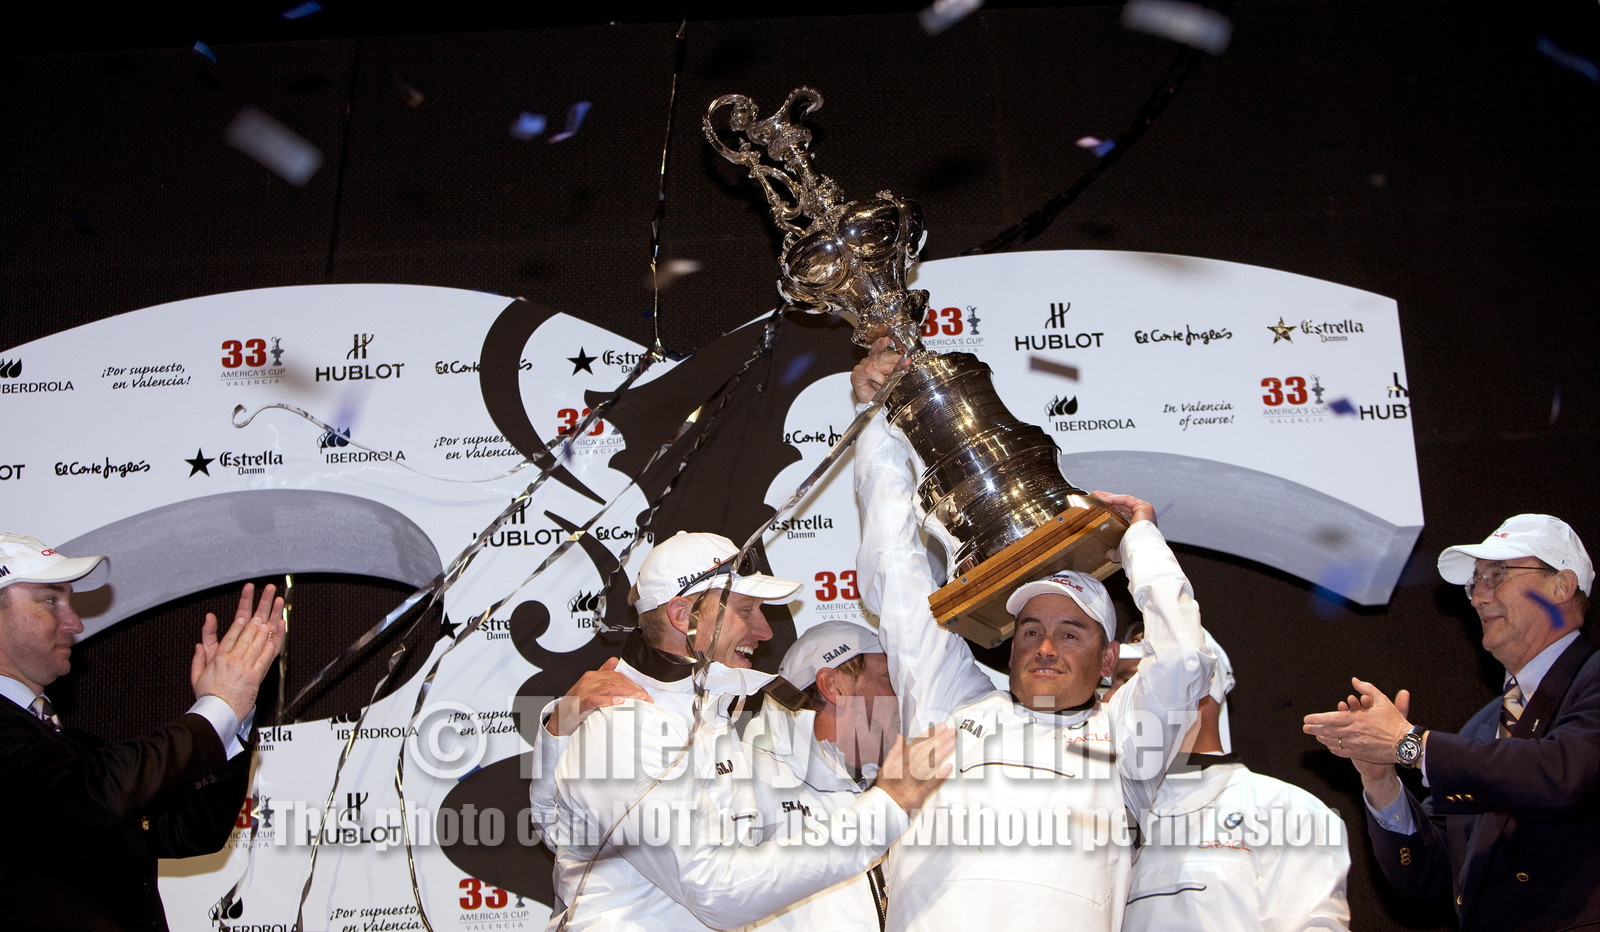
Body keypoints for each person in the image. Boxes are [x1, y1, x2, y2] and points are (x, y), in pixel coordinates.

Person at [850, 342, 1215, 931]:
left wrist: (1139, 542)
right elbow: (896, 575)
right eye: (1031, 630)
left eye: (1072, 634)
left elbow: (1181, 659)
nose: (1045, 647)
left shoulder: (1126, 742)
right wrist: (881, 424)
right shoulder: (954, 706)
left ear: (1107, 662)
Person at [531, 531, 955, 931]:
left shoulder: (709, 718)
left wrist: (556, 734)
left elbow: (562, 828)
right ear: (683, 616)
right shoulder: (625, 721)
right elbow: (715, 890)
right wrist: (888, 806)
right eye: (746, 610)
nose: (765, 631)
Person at [1303, 513, 1599, 930]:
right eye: (1474, 582)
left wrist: (1411, 744)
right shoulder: (1480, 729)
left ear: (1561, 587)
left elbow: (1560, 772)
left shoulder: (1591, 680)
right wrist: (1382, 781)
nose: (1478, 596)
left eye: (1497, 576)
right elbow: (1428, 876)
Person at [0, 532, 287, 932]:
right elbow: (99, 797)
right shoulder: (52, 761)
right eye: (51, 601)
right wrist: (216, 707)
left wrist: (234, 712)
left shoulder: (74, 749)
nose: (76, 622)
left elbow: (189, 832)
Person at [539, 619, 904, 931]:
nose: (903, 692)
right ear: (833, 685)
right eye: (888, 677)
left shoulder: (892, 785)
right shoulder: (746, 770)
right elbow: (568, 831)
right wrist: (560, 732)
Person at [1113, 630, 1350, 931]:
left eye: (1129, 679)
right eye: (1110, 684)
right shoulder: (1106, 823)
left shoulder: (1287, 810)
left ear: (1197, 686)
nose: (1112, 698)